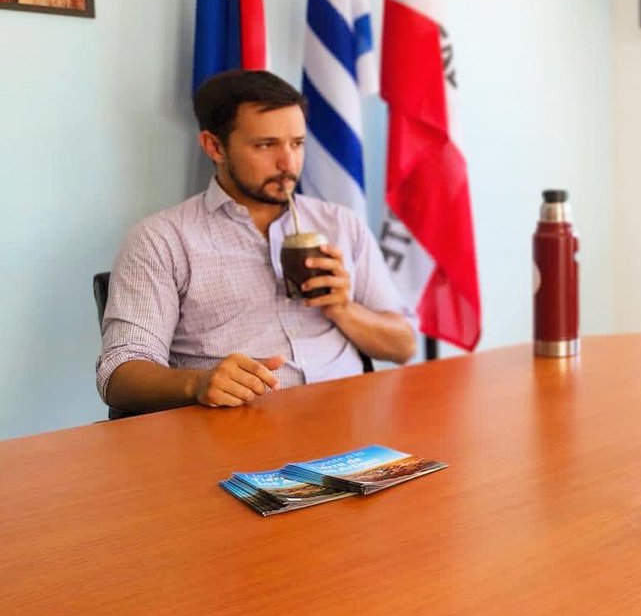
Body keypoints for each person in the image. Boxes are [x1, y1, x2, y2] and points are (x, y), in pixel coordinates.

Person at [97, 69, 417, 413]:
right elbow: (118, 374)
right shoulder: (161, 240)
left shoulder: (340, 224)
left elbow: (403, 345)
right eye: (266, 145)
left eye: (297, 143)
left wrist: (343, 309)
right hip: (235, 433)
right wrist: (198, 383)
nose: (288, 163)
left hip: (347, 423)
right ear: (214, 146)